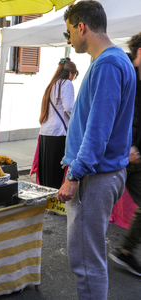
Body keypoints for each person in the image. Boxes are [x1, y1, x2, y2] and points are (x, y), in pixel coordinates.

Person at [58, 1, 136, 299]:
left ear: (82, 27)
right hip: (105, 173)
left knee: (87, 263)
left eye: (69, 32)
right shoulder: (116, 60)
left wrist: (73, 175)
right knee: (89, 260)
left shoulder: (106, 64)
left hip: (94, 177)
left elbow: (98, 130)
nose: (69, 40)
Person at [109, 32, 141, 277]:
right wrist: (127, 144)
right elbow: (114, 112)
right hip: (121, 154)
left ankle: (126, 251)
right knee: (97, 203)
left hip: (134, 157)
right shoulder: (124, 72)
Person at [38, 57, 78, 189]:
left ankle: (47, 201)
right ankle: (55, 201)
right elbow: (69, 108)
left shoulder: (52, 84)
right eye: (74, 75)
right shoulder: (66, 83)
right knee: (56, 172)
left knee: (46, 171)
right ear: (70, 73)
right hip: (59, 133)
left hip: (46, 131)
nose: (73, 78)